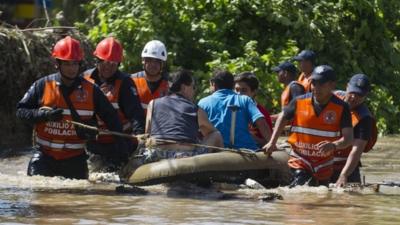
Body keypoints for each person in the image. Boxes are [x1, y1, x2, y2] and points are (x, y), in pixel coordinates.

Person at [16, 36, 128, 179]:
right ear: (58, 64)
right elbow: (21, 111)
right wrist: (44, 116)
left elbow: (113, 121)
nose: (72, 69)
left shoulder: (92, 91)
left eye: (75, 64)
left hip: (75, 160)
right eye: (67, 64)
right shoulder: (42, 85)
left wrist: (123, 153)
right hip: (44, 158)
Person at [263, 65, 353, 187]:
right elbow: (283, 117)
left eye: (322, 84)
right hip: (300, 160)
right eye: (314, 83)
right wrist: (272, 142)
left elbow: (348, 139)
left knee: (322, 195)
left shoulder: (342, 107)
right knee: (301, 189)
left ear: (332, 85)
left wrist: (334, 145)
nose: (316, 88)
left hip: (324, 164)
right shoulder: (299, 101)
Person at [83, 37, 145, 171]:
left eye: (113, 64)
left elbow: (136, 114)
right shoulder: (84, 79)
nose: (108, 68)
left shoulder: (125, 83)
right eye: (105, 63)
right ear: (97, 60)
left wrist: (139, 135)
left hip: (118, 142)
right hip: (93, 142)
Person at [143, 69, 223, 161]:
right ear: (184, 87)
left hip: (156, 153)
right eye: (193, 87)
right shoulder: (195, 109)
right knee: (216, 135)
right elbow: (209, 132)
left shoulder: (152, 104)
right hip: (184, 155)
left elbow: (147, 134)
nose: (194, 91)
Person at [198, 70, 271, 151]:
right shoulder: (245, 99)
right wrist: (272, 143)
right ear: (233, 85)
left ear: (213, 84)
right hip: (247, 151)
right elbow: (261, 122)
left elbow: (201, 128)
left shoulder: (202, 103)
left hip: (217, 151)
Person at [332, 74, 377, 187]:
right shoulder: (333, 97)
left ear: (366, 95)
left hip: (346, 167)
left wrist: (344, 175)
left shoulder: (364, 118)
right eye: (352, 92)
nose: (354, 97)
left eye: (359, 95)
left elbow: (356, 151)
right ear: (347, 87)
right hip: (324, 164)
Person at [234, 72, 273, 146]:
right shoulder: (230, 109)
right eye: (236, 89)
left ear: (254, 92)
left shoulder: (262, 113)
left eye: (244, 90)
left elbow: (269, 142)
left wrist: (249, 137)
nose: (239, 94)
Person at [131, 40, 169, 114]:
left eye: (157, 61)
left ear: (163, 64)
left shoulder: (169, 86)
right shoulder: (131, 81)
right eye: (149, 60)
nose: (153, 64)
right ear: (143, 61)